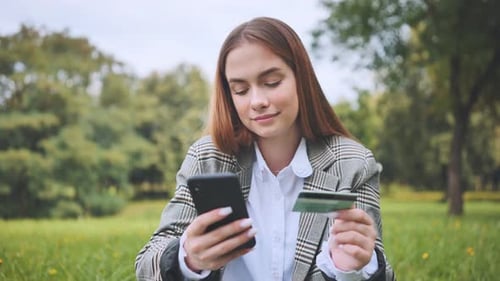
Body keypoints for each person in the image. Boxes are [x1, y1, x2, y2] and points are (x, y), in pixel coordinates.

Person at [135, 16, 395, 281]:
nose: (257, 101)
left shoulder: (352, 163)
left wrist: (352, 269)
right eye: (240, 90)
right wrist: (187, 258)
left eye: (271, 83)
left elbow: (379, 271)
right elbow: (147, 263)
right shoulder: (207, 158)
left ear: (301, 80)